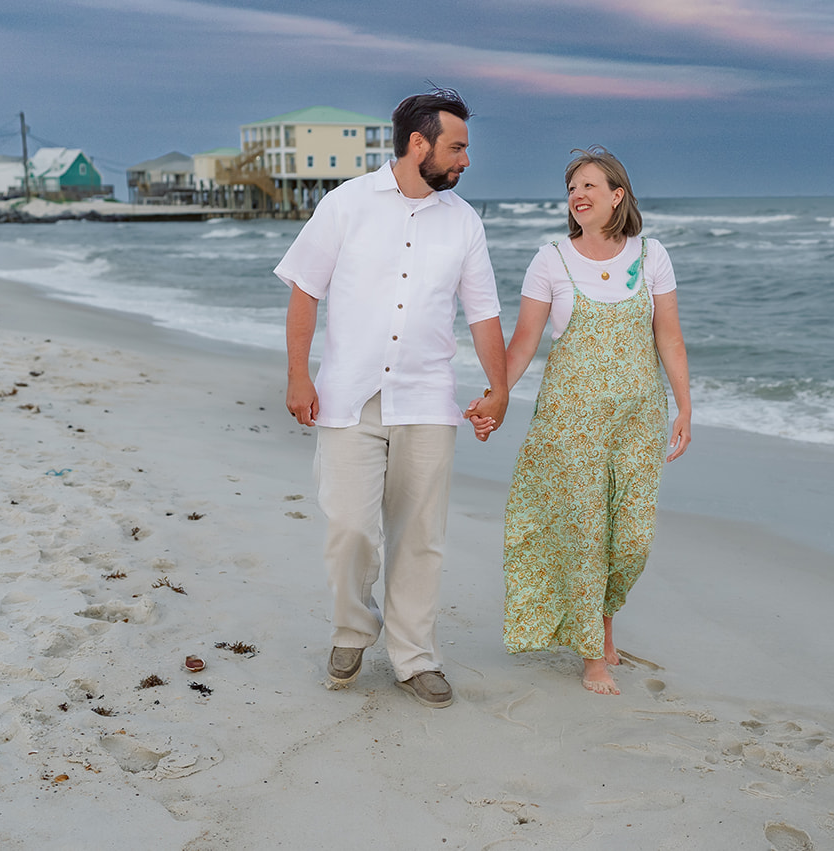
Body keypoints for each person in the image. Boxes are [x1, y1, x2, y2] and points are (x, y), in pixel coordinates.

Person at [274, 87, 508, 709]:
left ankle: (415, 657)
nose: (464, 160)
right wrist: (299, 375)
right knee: (350, 527)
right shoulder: (345, 205)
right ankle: (351, 629)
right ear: (417, 143)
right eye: (456, 147)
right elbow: (304, 291)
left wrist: (500, 386)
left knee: (420, 535)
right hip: (349, 394)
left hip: (428, 399)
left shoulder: (464, 221)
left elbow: (482, 313)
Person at [500, 147, 691, 695]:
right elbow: (523, 345)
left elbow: (669, 338)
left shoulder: (651, 256)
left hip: (638, 418)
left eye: (589, 186)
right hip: (571, 423)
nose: (578, 196)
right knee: (584, 534)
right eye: (571, 188)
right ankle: (593, 653)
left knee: (631, 538)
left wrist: (684, 406)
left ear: (617, 195)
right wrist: (496, 397)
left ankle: (603, 620)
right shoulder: (551, 260)